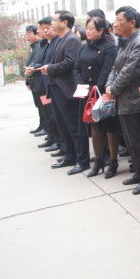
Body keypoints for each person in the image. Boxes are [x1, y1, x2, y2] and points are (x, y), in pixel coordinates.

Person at [106, 6, 140, 194]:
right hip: (124, 99)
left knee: (139, 141)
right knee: (130, 140)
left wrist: (113, 89)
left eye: (119, 20)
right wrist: (109, 87)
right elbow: (115, 68)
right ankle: (139, 173)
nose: (115, 24)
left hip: (135, 99)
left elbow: (130, 71)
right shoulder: (125, 41)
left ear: (132, 22)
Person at [73, 16, 121, 178]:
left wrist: (97, 88)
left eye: (91, 29)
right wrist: (83, 86)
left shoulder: (109, 47)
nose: (88, 32)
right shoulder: (83, 48)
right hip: (88, 94)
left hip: (103, 93)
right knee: (94, 129)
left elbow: (108, 70)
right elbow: (76, 69)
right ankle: (98, 161)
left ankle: (113, 162)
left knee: (110, 129)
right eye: (87, 28)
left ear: (101, 30)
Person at [44, 10, 90, 174]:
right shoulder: (61, 39)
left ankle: (82, 160)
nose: (52, 23)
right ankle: (69, 156)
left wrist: (50, 68)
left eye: (55, 20)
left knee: (74, 126)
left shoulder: (71, 40)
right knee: (63, 126)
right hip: (57, 88)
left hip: (67, 89)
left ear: (64, 22)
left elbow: (70, 62)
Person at [25, 19, 61, 151]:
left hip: (47, 84)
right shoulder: (42, 44)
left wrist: (34, 68)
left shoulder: (51, 43)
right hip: (40, 84)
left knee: (51, 113)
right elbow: (37, 61)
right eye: (41, 28)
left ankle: (57, 140)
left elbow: (45, 63)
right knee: (46, 112)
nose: (43, 31)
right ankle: (52, 137)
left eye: (46, 28)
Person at [24, 25, 45, 136]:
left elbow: (37, 63)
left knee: (44, 107)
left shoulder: (39, 45)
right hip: (34, 81)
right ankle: (42, 125)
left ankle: (45, 127)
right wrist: (28, 81)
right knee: (39, 105)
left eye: (29, 34)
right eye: (26, 34)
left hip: (39, 81)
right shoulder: (34, 46)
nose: (27, 36)